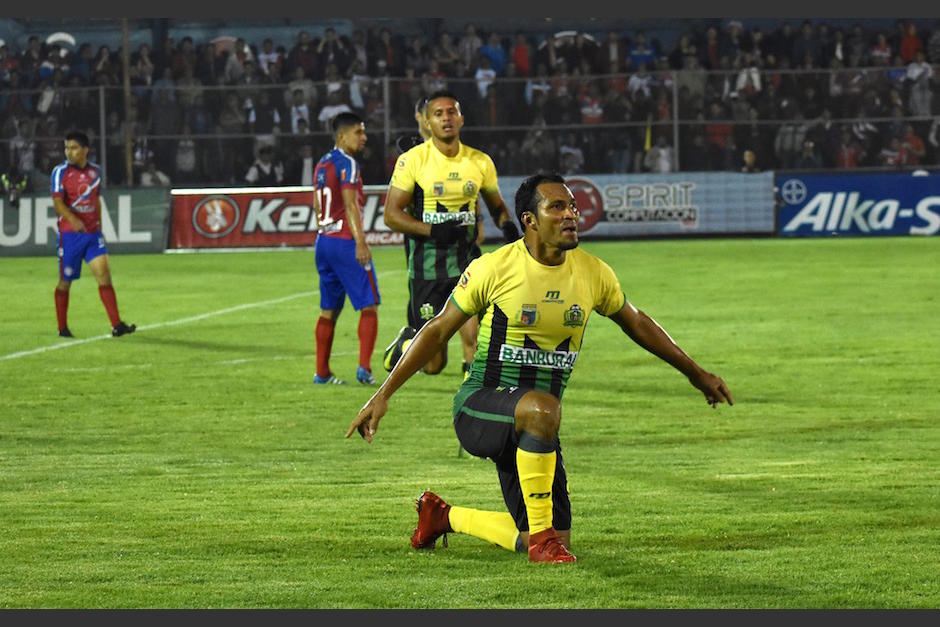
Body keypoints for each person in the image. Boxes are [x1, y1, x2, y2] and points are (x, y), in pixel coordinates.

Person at [347, 172, 733, 563]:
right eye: (557, 207)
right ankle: (542, 543)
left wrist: (695, 373)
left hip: (537, 427)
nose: (571, 215)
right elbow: (437, 330)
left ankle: (443, 517)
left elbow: (638, 323)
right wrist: (383, 395)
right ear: (530, 220)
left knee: (546, 536)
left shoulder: (594, 272)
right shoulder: (493, 268)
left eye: (573, 207)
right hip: (481, 406)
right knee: (543, 411)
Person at [381, 90, 520, 381]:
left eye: (451, 112)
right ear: (427, 122)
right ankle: (404, 345)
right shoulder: (413, 160)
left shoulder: (480, 161)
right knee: (433, 364)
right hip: (427, 267)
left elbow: (496, 206)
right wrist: (434, 230)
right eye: (439, 114)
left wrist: (508, 227)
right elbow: (391, 215)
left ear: (461, 119)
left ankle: (472, 396)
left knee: (474, 336)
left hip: (467, 263)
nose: (446, 118)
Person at [312, 112, 380, 386]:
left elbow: (317, 204)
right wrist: (360, 242)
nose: (364, 137)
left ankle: (322, 373)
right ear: (342, 136)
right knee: (369, 304)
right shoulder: (348, 163)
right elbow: (351, 205)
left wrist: (325, 229)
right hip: (344, 242)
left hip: (324, 241)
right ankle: (364, 370)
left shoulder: (322, 163)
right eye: (358, 132)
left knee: (329, 309)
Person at [52, 131, 135, 338]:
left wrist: (99, 226)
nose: (69, 152)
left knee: (104, 277)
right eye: (67, 148)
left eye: (73, 148)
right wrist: (73, 220)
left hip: (92, 235)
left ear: (85, 150)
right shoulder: (60, 172)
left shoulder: (95, 172)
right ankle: (62, 327)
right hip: (70, 236)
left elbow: (96, 200)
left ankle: (116, 325)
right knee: (65, 281)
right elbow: (58, 202)